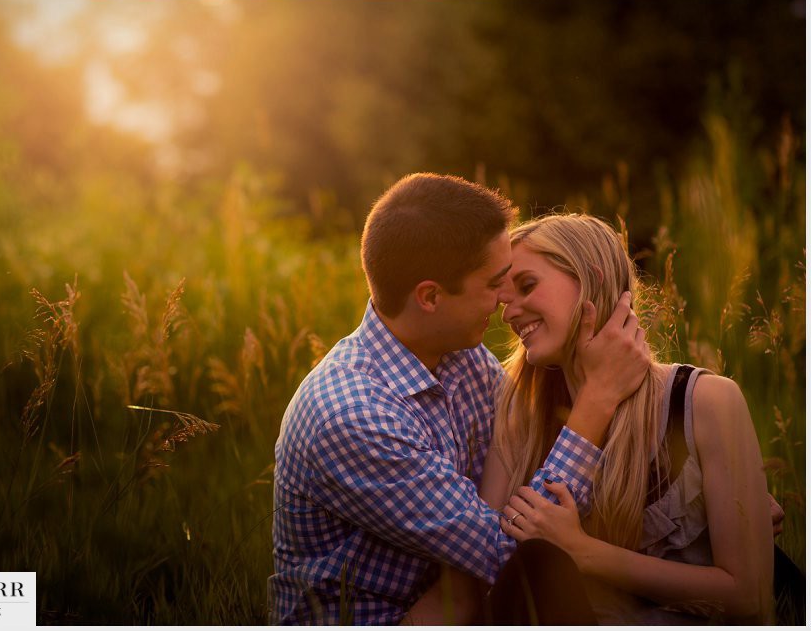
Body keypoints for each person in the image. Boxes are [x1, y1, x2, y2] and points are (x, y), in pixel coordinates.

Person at [268, 174, 650, 624]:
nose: (505, 302)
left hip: (459, 607)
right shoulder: (351, 415)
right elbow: (510, 555)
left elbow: (526, 451)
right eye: (494, 284)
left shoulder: (457, 356)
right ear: (430, 296)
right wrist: (598, 398)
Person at [408, 213, 777, 624]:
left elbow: (751, 599)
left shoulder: (706, 401)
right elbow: (480, 577)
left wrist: (582, 552)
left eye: (527, 286)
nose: (509, 314)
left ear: (590, 279)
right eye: (504, 299)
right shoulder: (520, 418)